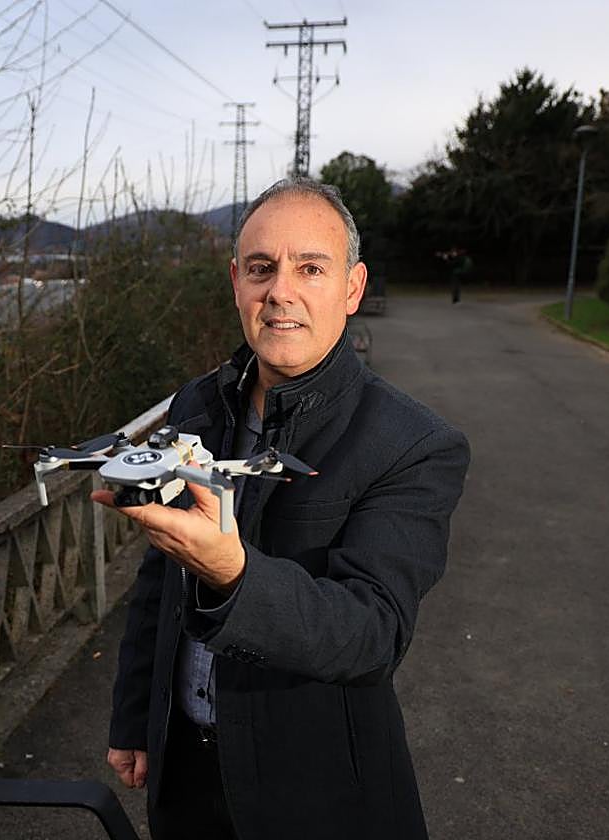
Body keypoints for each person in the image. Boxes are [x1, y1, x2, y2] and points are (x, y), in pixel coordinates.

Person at [96, 178, 470, 840]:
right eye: (262, 269)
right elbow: (158, 583)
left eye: (310, 268)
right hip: (186, 774)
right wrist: (134, 717)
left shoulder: (413, 444)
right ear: (236, 281)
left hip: (316, 795)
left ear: (352, 289)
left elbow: (371, 630)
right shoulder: (194, 407)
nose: (280, 292)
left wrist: (235, 575)